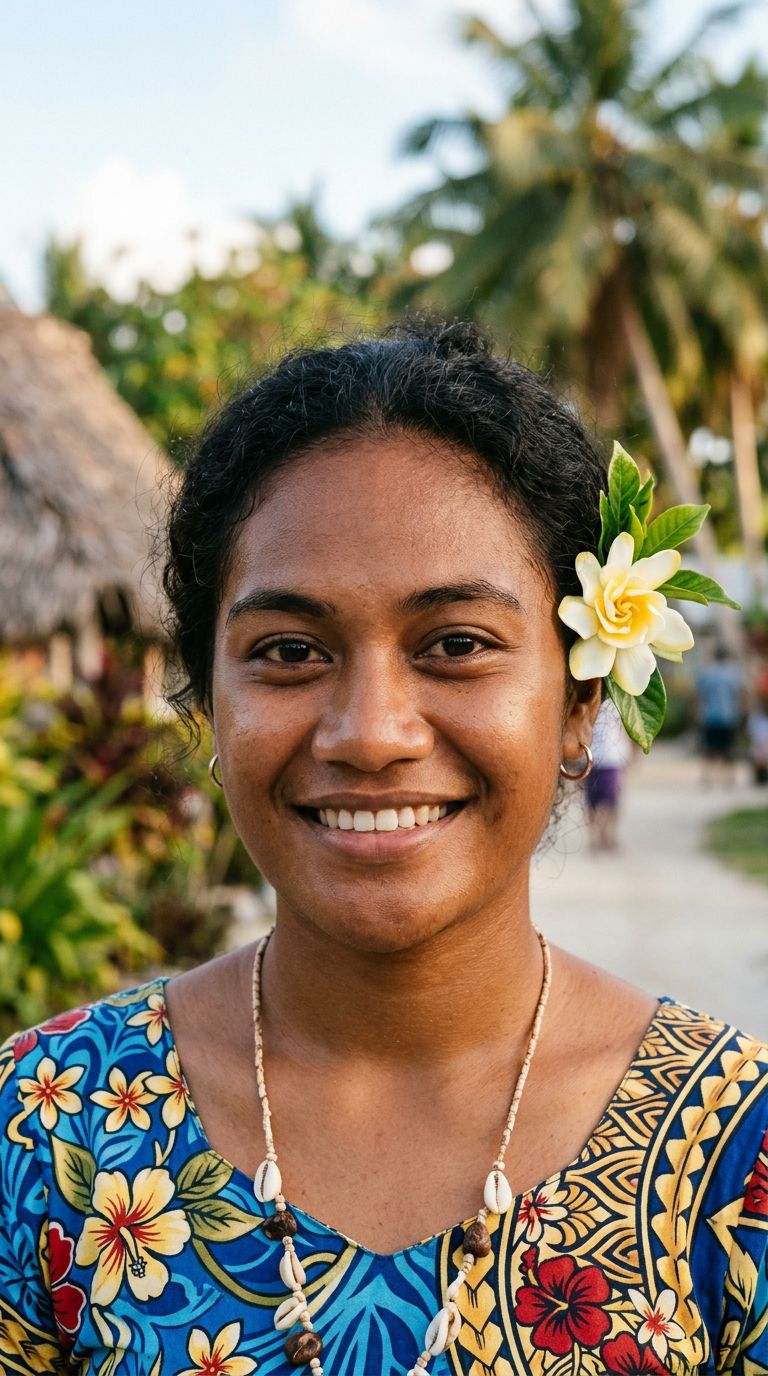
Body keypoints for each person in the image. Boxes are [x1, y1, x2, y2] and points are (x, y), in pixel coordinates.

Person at [1, 322, 765, 1376]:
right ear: (208, 702)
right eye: (289, 650)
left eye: (456, 643)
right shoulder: (44, 1135)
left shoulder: (739, 1157)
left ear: (581, 699)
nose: (369, 732)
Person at [582, 698, 634, 850]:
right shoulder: (586, 700)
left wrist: (627, 754)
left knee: (613, 802)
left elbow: (624, 729)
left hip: (611, 758)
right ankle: (595, 837)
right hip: (591, 758)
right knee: (592, 803)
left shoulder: (617, 701)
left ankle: (609, 835)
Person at [695, 643, 746, 786]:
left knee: (709, 748)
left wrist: (697, 714)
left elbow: (700, 696)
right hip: (729, 716)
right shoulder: (734, 673)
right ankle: (729, 778)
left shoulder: (707, 673)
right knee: (729, 748)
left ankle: (707, 777)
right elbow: (740, 695)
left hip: (710, 716)